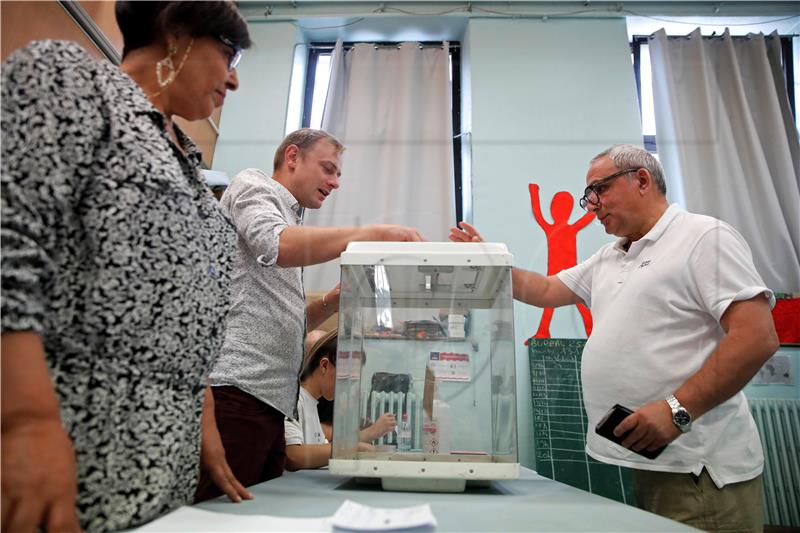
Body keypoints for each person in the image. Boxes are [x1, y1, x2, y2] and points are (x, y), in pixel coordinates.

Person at [1, 2, 252, 531]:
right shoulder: (73, 81)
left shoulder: (188, 160)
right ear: (176, 32)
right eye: (227, 54)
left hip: (168, 456)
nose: (232, 81)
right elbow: (11, 243)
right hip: (75, 432)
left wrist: (199, 410)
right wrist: (24, 422)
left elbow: (182, 312)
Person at [450, 144, 779, 532]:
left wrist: (677, 410)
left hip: (697, 466)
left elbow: (756, 337)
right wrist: (489, 260)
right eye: (587, 197)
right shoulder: (612, 255)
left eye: (599, 190)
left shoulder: (703, 237)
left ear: (641, 179)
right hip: (649, 458)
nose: (592, 205)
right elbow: (544, 290)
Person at [196, 128, 424, 499]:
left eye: (338, 175)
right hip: (237, 391)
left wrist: (331, 303)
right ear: (292, 157)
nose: (334, 182)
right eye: (328, 169)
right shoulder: (254, 186)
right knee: (217, 514)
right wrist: (370, 233)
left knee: (250, 517)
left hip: (271, 402)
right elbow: (276, 244)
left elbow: (288, 322)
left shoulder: (291, 219)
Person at [284, 330, 396, 470]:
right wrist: (349, 448)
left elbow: (322, 450)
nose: (348, 388)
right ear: (324, 365)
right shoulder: (294, 400)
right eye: (346, 379)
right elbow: (293, 456)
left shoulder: (311, 404)